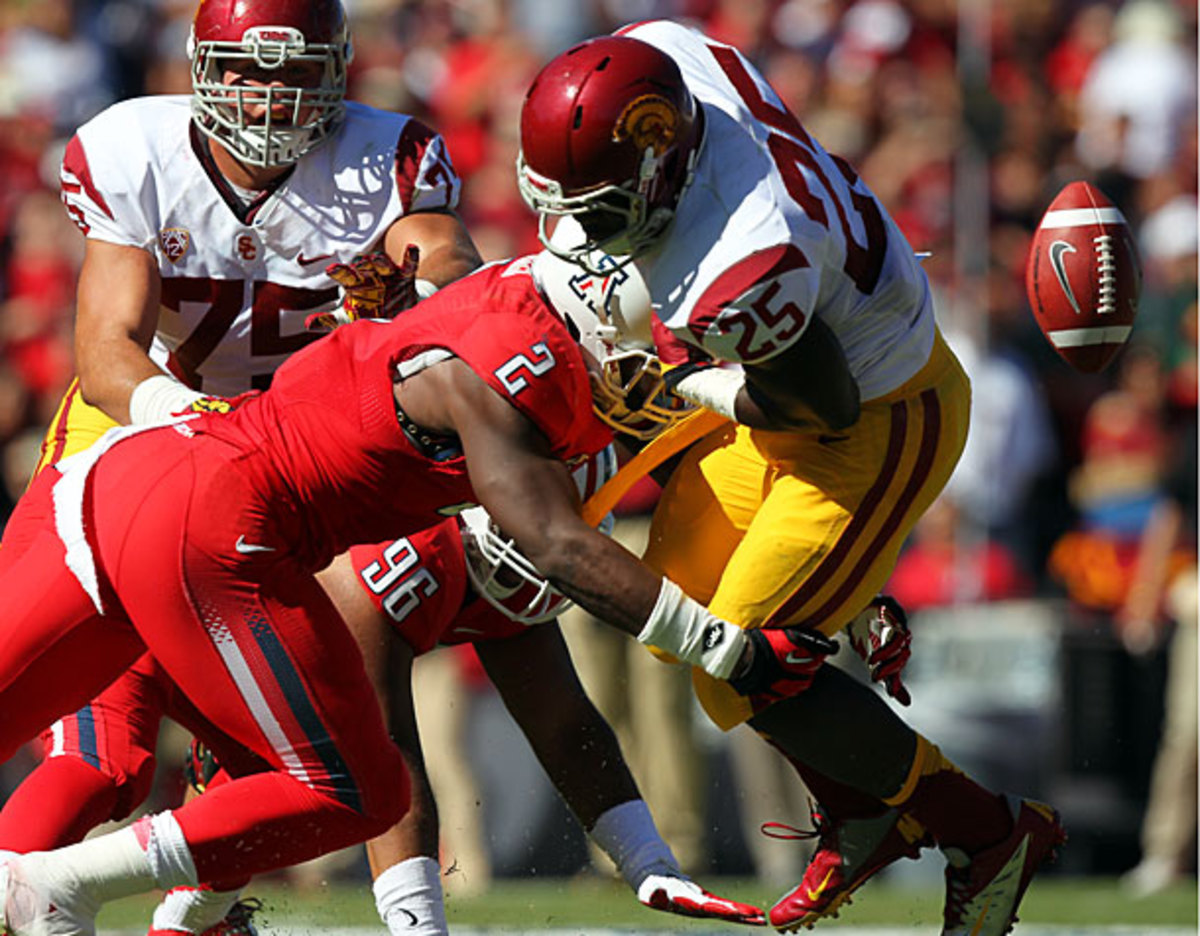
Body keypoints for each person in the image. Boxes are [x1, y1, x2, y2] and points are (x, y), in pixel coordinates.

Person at [0, 251, 793, 935]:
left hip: (125, 476)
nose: (652, 382)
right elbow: (555, 547)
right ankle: (55, 885)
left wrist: (648, 863)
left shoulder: (515, 326)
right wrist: (730, 649)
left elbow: (564, 719)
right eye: (640, 360)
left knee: (248, 775)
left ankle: (121, 905)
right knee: (350, 785)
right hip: (210, 520)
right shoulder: (485, 436)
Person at [516, 21, 1066, 935]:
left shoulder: (736, 264)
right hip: (798, 373)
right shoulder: (667, 60)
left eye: (601, 206)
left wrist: (689, 380)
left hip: (873, 422)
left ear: (657, 155)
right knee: (674, 619)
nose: (581, 227)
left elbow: (823, 406)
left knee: (735, 665)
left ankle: (986, 829)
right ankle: (858, 814)